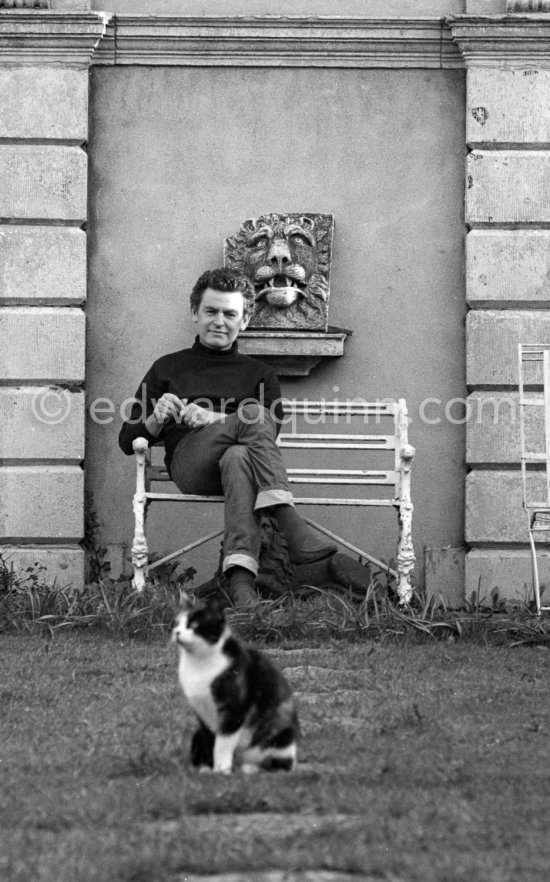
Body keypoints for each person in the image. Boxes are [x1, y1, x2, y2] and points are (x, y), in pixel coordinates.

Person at [119, 267, 336, 607]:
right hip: (192, 465)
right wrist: (156, 418)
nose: (219, 321)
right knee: (252, 416)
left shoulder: (260, 374)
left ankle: (241, 585)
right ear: (195, 314)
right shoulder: (168, 368)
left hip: (244, 472)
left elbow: (270, 430)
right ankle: (290, 522)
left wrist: (213, 417)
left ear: (245, 320)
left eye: (230, 313)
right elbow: (126, 439)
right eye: (211, 311)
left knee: (238, 455)